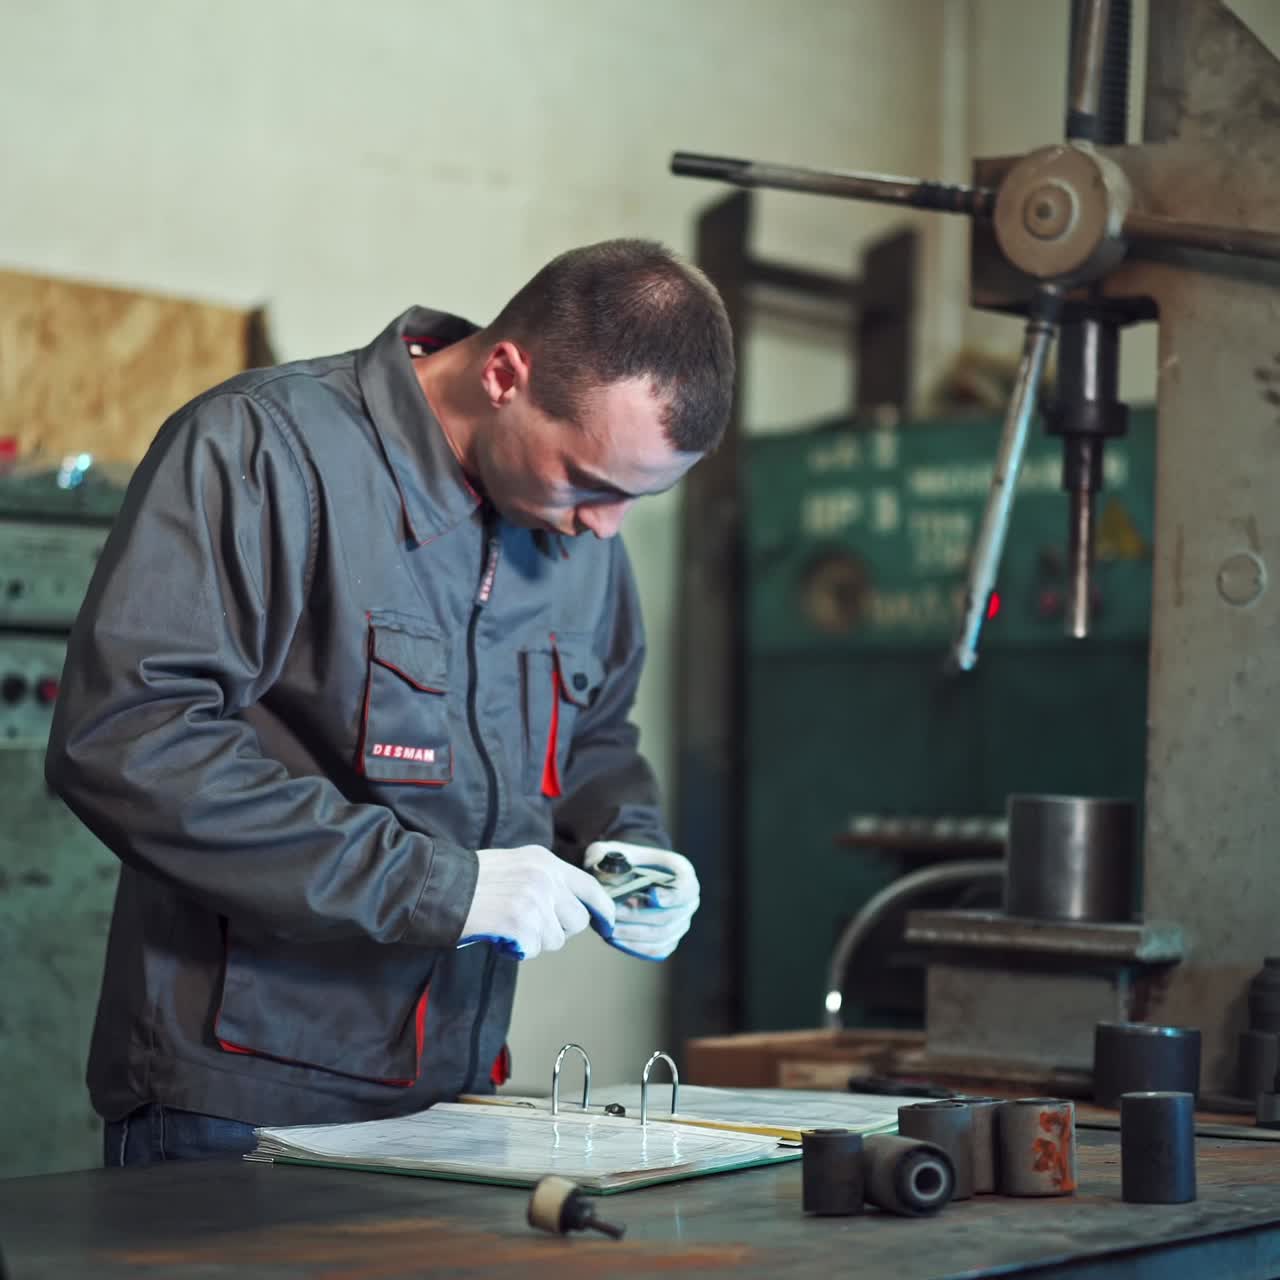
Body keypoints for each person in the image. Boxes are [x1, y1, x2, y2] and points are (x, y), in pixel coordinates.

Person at [45, 238, 735, 1166]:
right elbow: (129, 741)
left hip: (456, 1096)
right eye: (589, 481)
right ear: (504, 376)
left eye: (635, 500)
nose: (604, 528)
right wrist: (443, 887)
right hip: (239, 1102)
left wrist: (631, 843)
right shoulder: (265, 449)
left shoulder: (577, 537)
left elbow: (596, 737)